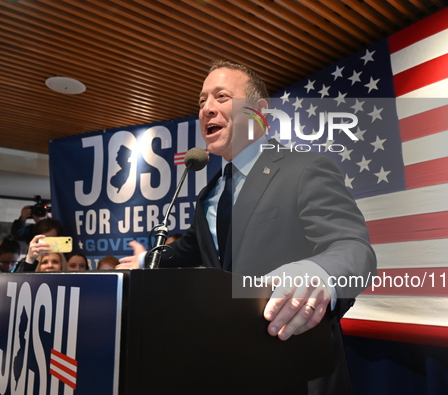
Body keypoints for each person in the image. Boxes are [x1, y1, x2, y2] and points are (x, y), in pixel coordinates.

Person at [119, 60, 376, 394]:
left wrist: (318, 273)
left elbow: (353, 248)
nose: (206, 109)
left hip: (294, 367)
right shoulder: (209, 194)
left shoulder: (304, 169)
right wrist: (145, 261)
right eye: (201, 102)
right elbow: (188, 250)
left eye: (221, 97)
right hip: (227, 367)